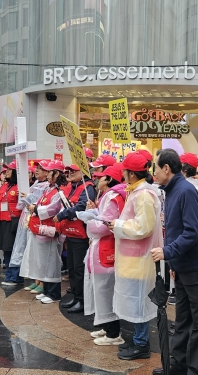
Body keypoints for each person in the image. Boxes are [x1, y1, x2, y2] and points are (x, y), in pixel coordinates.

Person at [150, 149, 198, 375]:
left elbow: (193, 232)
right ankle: (177, 366)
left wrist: (168, 252)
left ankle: (195, 371)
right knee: (182, 321)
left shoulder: (185, 190)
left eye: (155, 168)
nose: (154, 173)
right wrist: (174, 264)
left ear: (166, 168)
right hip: (184, 267)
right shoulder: (172, 191)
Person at [108, 151, 162, 360]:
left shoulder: (144, 195)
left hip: (139, 259)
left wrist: (118, 224)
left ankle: (141, 345)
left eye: (124, 170)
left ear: (131, 174)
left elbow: (144, 226)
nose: (122, 173)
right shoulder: (136, 192)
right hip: (132, 258)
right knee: (134, 300)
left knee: (139, 301)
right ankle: (138, 341)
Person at [79, 164, 126, 345]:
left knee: (105, 291)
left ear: (109, 180)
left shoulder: (113, 197)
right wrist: (94, 211)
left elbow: (103, 226)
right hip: (103, 248)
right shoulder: (109, 196)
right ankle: (106, 326)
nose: (97, 179)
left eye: (101, 176)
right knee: (102, 291)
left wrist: (89, 219)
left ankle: (113, 334)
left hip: (106, 250)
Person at [21, 160, 67, 303]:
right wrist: (34, 205)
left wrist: (35, 209)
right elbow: (42, 203)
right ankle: (47, 290)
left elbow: (53, 209)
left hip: (49, 230)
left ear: (56, 173)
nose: (46, 175)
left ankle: (53, 294)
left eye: (49, 171)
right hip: (41, 231)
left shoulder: (60, 191)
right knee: (43, 261)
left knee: (51, 262)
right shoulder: (49, 188)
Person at [55, 164, 97, 313]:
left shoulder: (88, 187)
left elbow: (81, 207)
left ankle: (82, 300)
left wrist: (61, 215)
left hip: (81, 235)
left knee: (79, 269)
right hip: (71, 233)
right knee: (72, 268)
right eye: (69, 171)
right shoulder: (73, 186)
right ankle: (76, 297)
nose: (70, 173)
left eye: (73, 170)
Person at [7, 161, 50, 287]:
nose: (37, 170)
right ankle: (35, 279)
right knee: (28, 249)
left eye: (41, 168)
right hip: (25, 218)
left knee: (38, 250)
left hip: (37, 219)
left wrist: (29, 197)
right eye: (36, 168)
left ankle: (41, 282)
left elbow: (43, 203)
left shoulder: (47, 186)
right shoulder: (35, 183)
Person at [0, 161, 22, 283]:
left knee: (13, 249)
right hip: (2, 220)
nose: (7, 172)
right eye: (6, 170)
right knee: (6, 249)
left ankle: (15, 276)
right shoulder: (4, 185)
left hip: (14, 221)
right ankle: (9, 274)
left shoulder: (20, 186)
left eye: (10, 169)